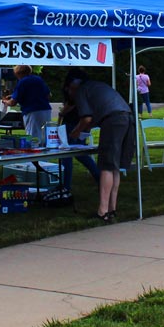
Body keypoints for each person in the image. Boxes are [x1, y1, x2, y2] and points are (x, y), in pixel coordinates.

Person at [64, 68, 135, 223]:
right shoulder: (96, 86)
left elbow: (87, 119)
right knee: (115, 166)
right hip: (127, 117)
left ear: (72, 87)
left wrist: (74, 134)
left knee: (106, 166)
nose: (69, 95)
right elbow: (93, 118)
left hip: (114, 120)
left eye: (68, 91)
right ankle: (111, 209)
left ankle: (102, 211)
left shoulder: (81, 91)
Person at [58, 88, 101, 193]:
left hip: (72, 124)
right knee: (82, 155)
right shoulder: (88, 94)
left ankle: (66, 186)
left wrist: (61, 114)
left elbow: (70, 105)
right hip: (81, 124)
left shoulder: (75, 93)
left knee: (66, 155)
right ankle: (100, 179)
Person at [1, 65, 52, 145]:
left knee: (33, 137)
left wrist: (5, 101)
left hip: (32, 112)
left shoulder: (22, 81)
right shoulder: (38, 79)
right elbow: (49, 95)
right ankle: (45, 154)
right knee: (44, 136)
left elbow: (13, 102)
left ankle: (34, 154)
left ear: (18, 73)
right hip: (46, 110)